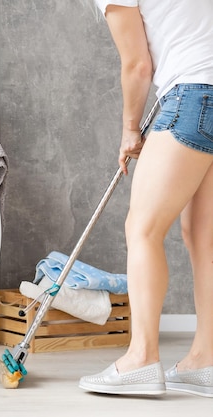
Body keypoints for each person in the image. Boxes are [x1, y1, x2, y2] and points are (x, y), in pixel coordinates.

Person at [78, 1, 213, 397]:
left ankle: (141, 359)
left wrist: (129, 130)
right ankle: (206, 359)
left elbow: (138, 65)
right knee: (203, 240)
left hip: (192, 96)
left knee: (142, 229)